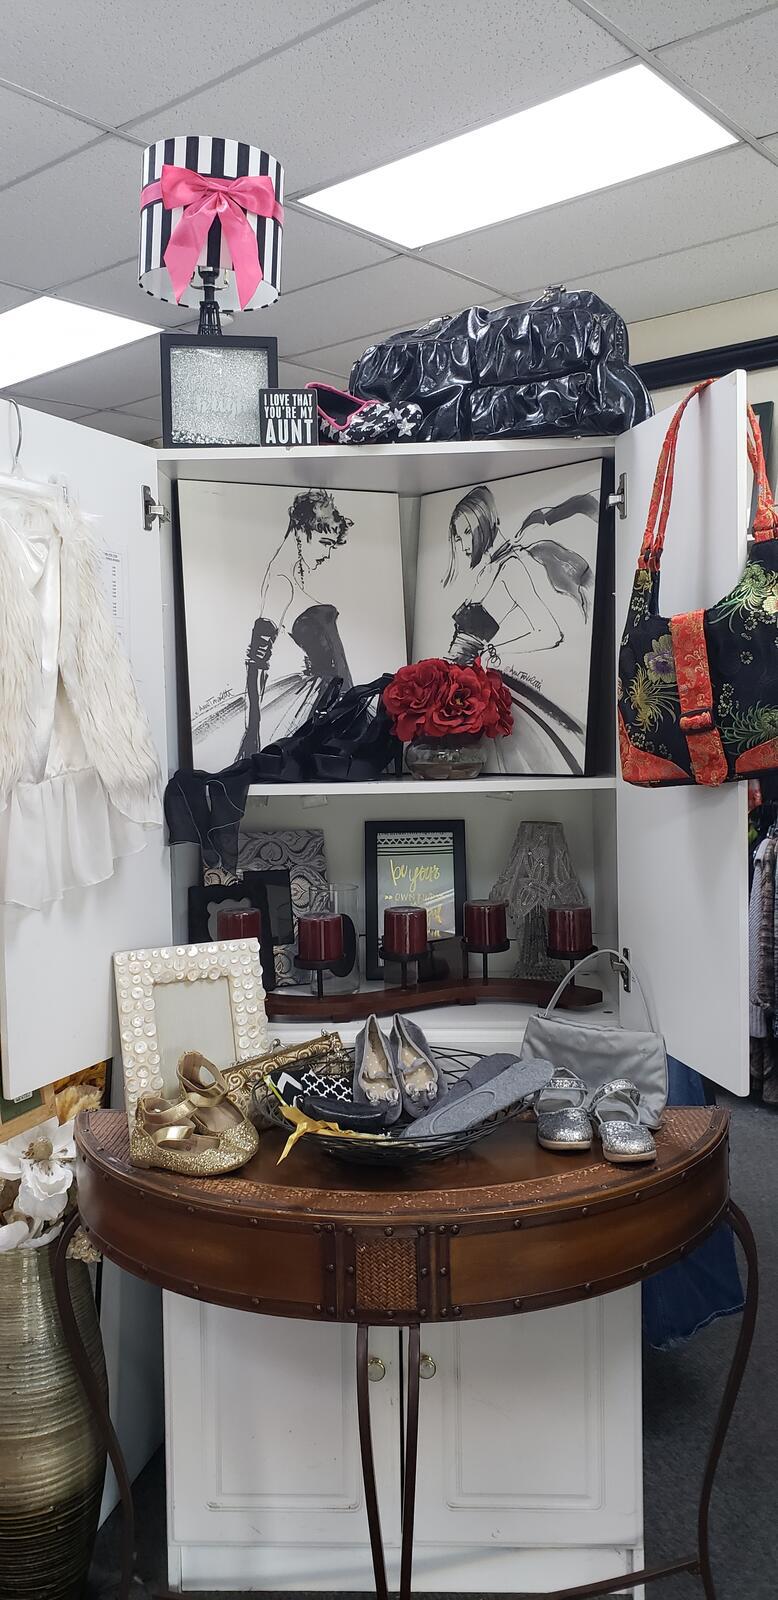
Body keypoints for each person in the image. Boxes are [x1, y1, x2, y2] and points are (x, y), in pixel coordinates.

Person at [444, 484, 599, 775]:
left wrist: (495, 649)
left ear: (484, 522)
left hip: (473, 684)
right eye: (457, 534)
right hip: (457, 683)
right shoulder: (487, 570)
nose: (462, 542)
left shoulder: (511, 567)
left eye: (466, 531)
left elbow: (548, 631)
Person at [238, 488, 353, 758]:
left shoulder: (297, 572)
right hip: (319, 699)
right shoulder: (281, 580)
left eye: (332, 545)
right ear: (301, 532)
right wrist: (253, 731)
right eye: (325, 543)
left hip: (333, 693)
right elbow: (256, 662)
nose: (327, 554)